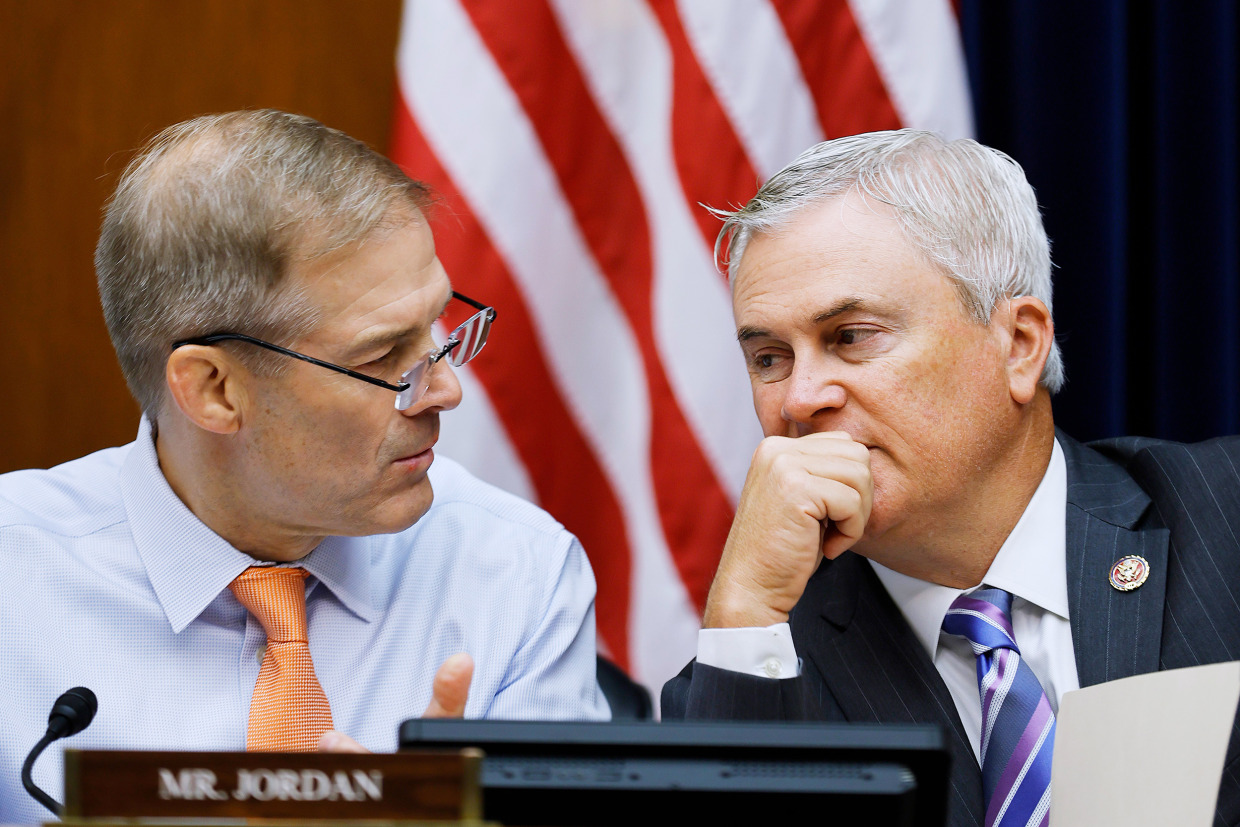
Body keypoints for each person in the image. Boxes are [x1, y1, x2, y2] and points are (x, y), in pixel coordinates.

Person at [0, 110, 607, 824]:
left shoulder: (517, 575)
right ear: (214, 389)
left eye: (438, 326)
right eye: (383, 357)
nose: (446, 389)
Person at [661, 130, 1240, 826]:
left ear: (1019, 344)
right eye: (769, 357)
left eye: (851, 335)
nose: (799, 398)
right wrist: (746, 607)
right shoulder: (756, 667)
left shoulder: (1225, 515)